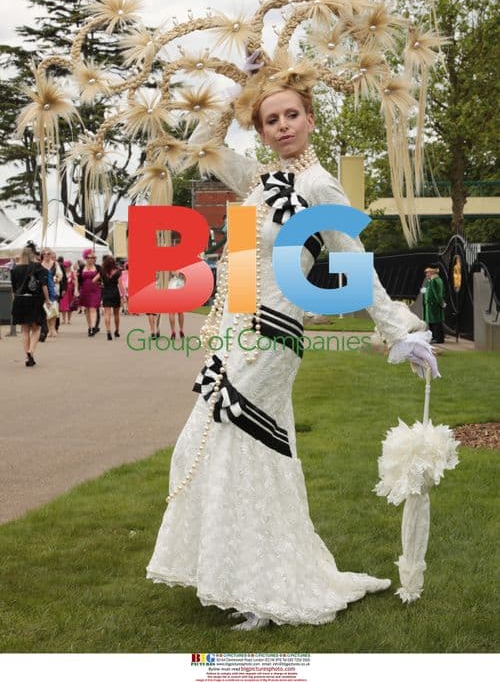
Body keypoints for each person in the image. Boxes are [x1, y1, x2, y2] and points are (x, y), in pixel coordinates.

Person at [146, 78, 440, 630]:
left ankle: (264, 588)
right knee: (206, 444)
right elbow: (202, 147)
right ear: (260, 129)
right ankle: (243, 574)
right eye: (269, 120)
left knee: (243, 445)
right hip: (235, 328)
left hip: (275, 335)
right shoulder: (258, 180)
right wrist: (240, 89)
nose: (280, 126)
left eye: (290, 115)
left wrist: (399, 328)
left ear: (310, 119)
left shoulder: (321, 186)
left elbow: (352, 258)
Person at [10, 244, 50, 366]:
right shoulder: (38, 267)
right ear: (33, 255)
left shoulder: (15, 269)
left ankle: (27, 357)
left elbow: (14, 288)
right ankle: (31, 351)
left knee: (25, 330)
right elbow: (44, 285)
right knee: (37, 328)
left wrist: (15, 301)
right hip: (34, 300)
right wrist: (47, 300)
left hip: (20, 300)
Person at [94, 254, 125, 340]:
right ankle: (117, 330)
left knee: (107, 314)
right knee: (116, 314)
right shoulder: (117, 272)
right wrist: (123, 295)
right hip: (115, 293)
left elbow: (93, 280)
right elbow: (121, 285)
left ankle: (108, 331)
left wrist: (100, 284)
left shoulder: (102, 272)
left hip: (106, 293)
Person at [78, 248, 101, 336]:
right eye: (88, 257)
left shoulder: (98, 268)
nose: (91, 259)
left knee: (93, 308)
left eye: (93, 257)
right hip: (85, 290)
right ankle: (89, 326)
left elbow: (103, 277)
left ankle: (93, 328)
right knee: (87, 309)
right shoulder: (81, 268)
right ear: (85, 258)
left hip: (95, 290)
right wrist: (76, 289)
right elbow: (78, 280)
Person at [423, 264, 446, 344]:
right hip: (431, 305)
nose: (427, 274)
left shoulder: (434, 281)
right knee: (432, 322)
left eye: (428, 272)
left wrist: (441, 302)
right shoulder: (432, 280)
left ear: (432, 272)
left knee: (435, 322)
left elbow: (438, 294)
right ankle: (435, 337)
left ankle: (438, 338)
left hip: (434, 305)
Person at [167, 272, 185, 340]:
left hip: (171, 288)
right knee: (180, 312)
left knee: (171, 313)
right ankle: (181, 330)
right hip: (180, 288)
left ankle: (173, 331)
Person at [59, 260, 78, 324]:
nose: (67, 268)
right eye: (65, 267)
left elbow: (76, 282)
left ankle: (69, 319)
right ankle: (64, 319)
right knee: (63, 305)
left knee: (70, 305)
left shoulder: (73, 273)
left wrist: (76, 289)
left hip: (70, 291)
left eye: (68, 266)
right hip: (64, 291)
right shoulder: (61, 273)